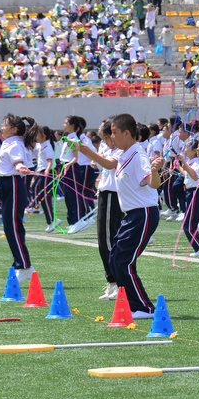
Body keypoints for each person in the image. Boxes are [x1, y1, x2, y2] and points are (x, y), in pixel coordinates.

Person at [108, 113, 164, 318]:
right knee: (115, 259)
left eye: (114, 133)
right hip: (131, 215)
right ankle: (131, 303)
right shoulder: (124, 154)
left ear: (127, 133)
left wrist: (156, 170)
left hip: (143, 214)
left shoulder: (138, 155)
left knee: (124, 261)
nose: (112, 137)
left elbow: (153, 183)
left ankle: (144, 307)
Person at [74, 118, 125, 301]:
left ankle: (119, 283)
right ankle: (112, 281)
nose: (103, 142)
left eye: (105, 137)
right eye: (102, 138)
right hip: (104, 192)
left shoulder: (120, 148)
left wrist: (87, 152)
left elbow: (110, 164)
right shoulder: (105, 147)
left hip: (113, 194)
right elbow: (101, 164)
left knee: (109, 240)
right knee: (103, 240)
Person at [0, 114, 38, 283]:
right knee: (9, 227)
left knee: (12, 227)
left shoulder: (15, 144)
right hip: (5, 184)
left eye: (5, 125)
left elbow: (18, 163)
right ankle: (20, 263)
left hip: (12, 184)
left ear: (14, 129)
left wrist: (21, 167)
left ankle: (24, 266)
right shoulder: (8, 142)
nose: (2, 127)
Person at [175, 142, 199, 257]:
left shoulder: (196, 163)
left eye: (187, 147)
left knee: (189, 224)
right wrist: (180, 168)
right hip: (190, 192)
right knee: (189, 223)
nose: (185, 149)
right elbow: (188, 176)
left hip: (195, 192)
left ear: (194, 150)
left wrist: (183, 162)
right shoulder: (190, 162)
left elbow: (195, 176)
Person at [34, 125, 58, 232]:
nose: (36, 136)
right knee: (41, 196)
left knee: (44, 197)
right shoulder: (42, 146)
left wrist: (47, 171)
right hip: (42, 172)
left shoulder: (47, 147)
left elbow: (50, 161)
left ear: (43, 136)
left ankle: (52, 220)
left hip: (46, 173)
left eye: (37, 134)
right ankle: (51, 219)